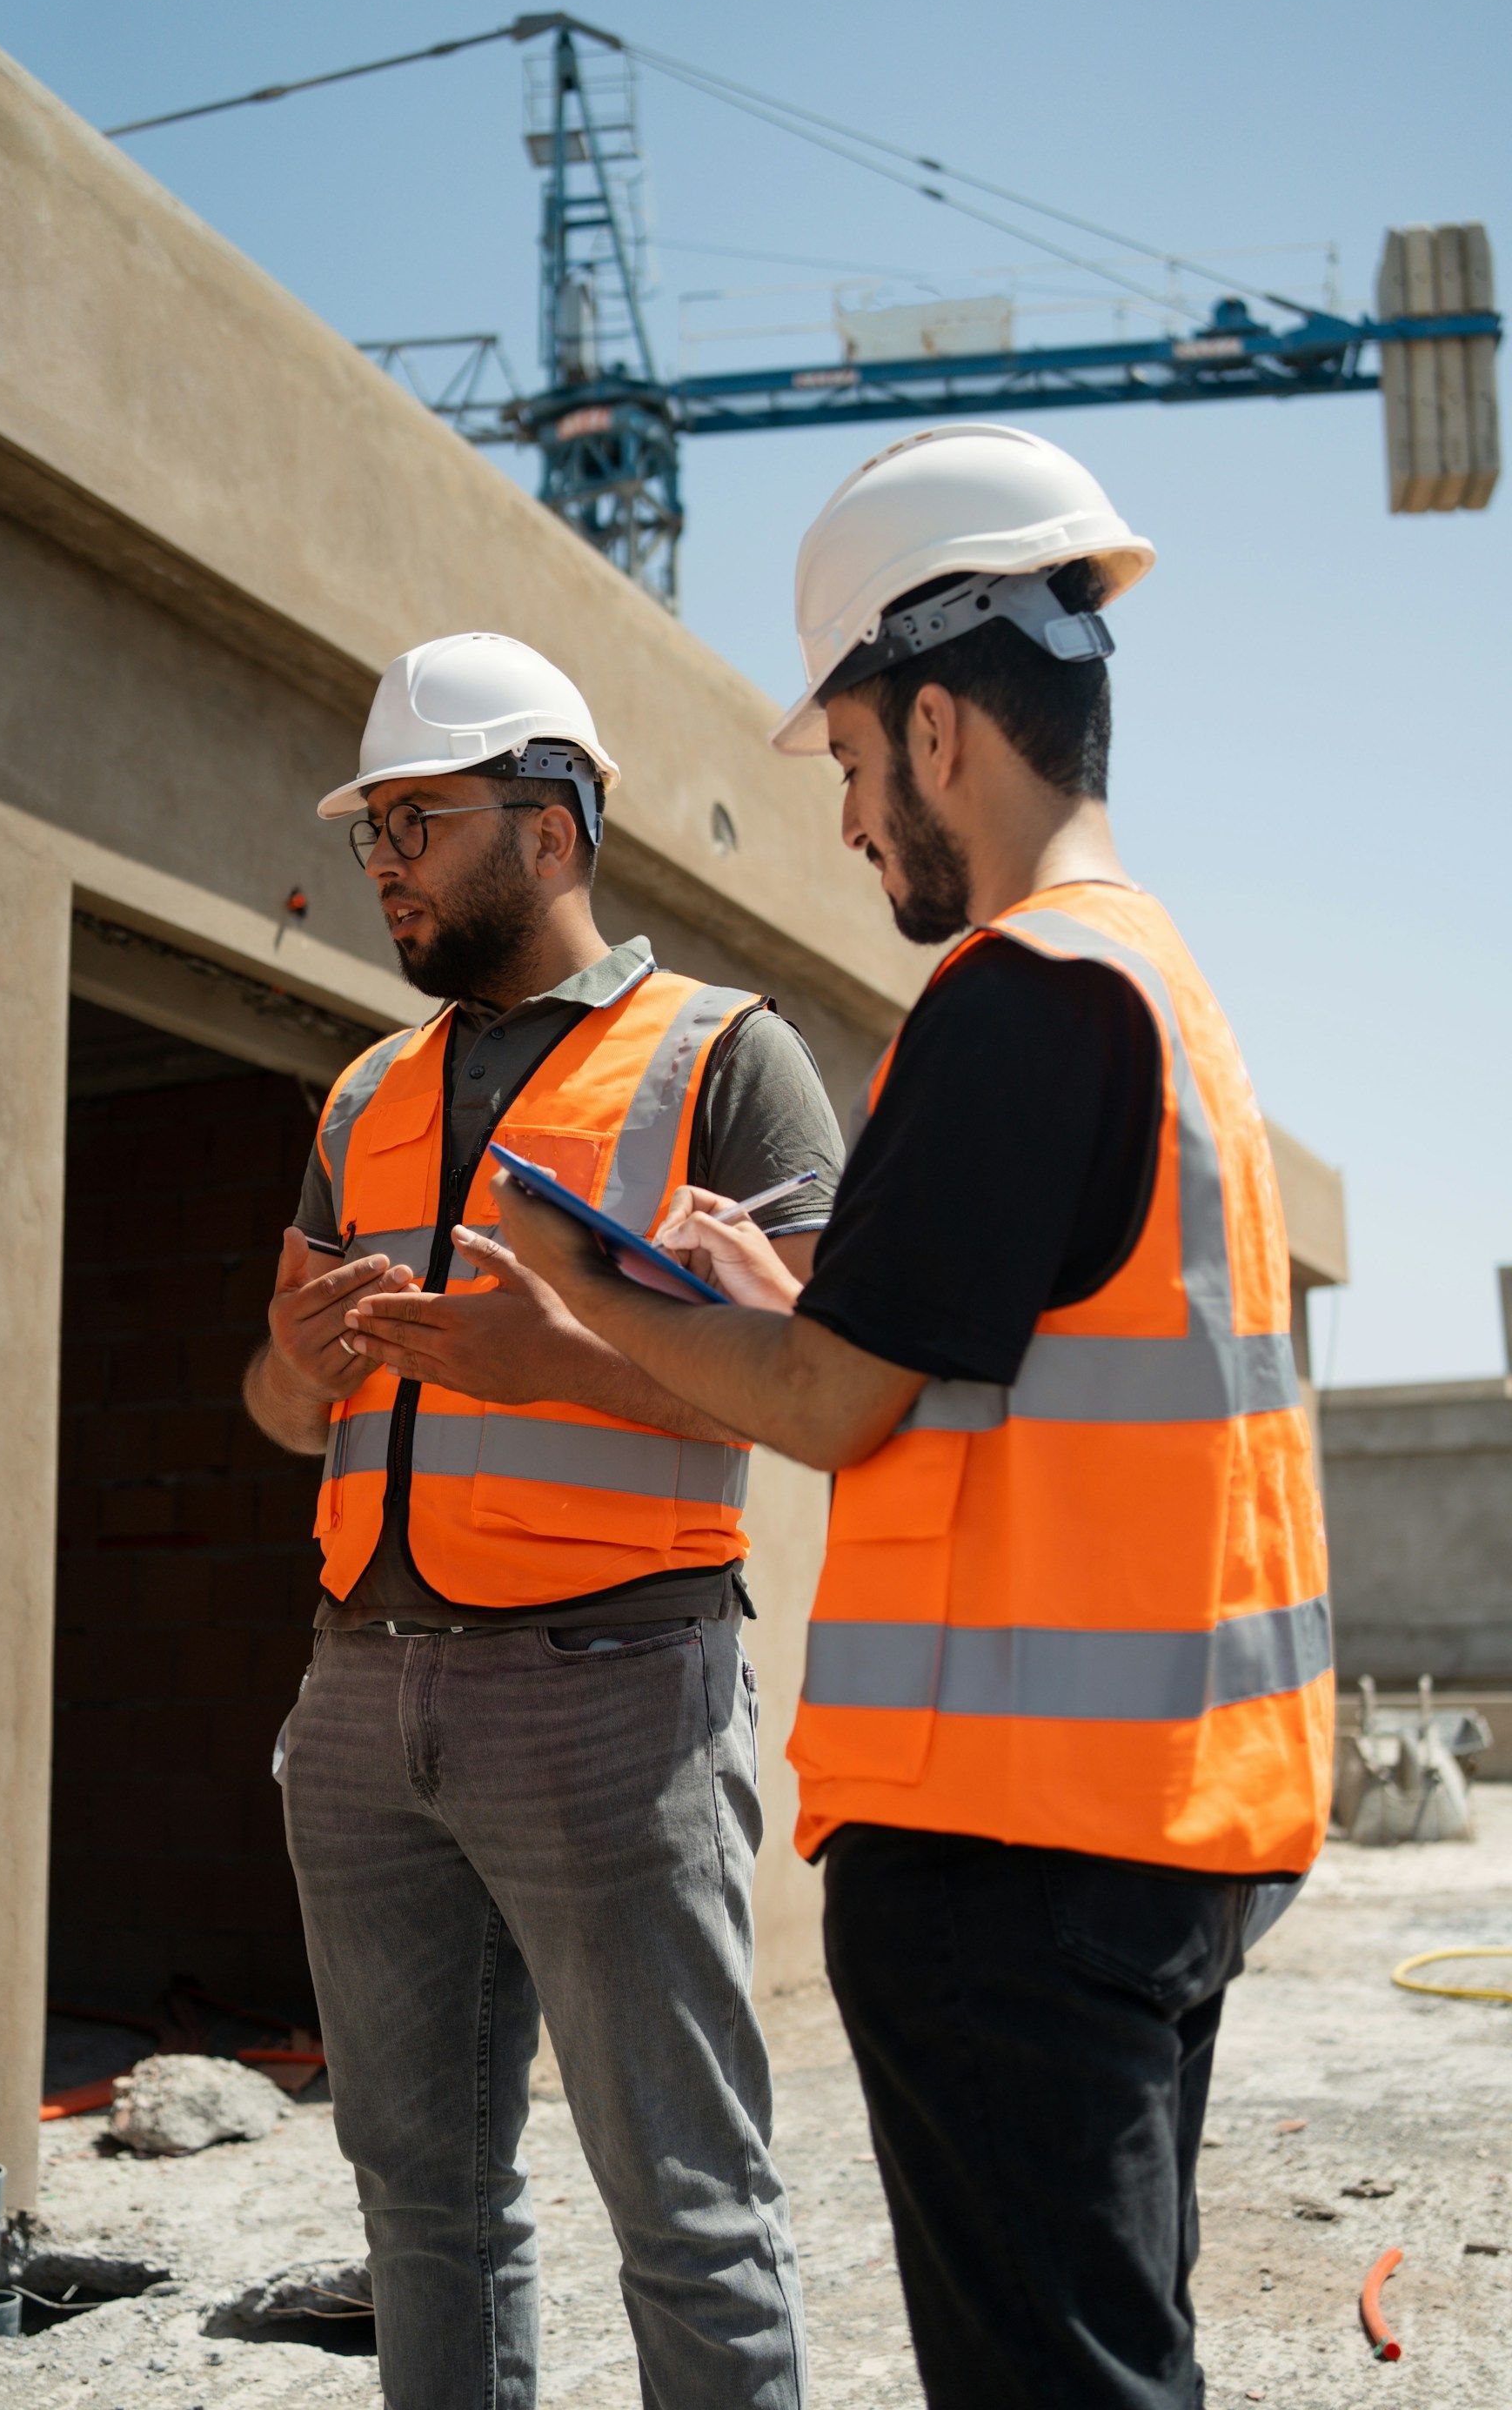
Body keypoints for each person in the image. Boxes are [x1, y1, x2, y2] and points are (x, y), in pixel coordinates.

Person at [492, 428, 1335, 2410]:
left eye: (859, 771)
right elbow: (952, 1370)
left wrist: (588, 1298)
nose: (856, 825)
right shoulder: (1159, 993)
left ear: (942, 728)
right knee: (1113, 2355)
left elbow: (832, 1402)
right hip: (1164, 1828)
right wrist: (799, 1304)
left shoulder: (1016, 994)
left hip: (1017, 1853)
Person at [244, 630, 840, 2410]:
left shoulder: (733, 1061)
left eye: (421, 820)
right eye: (374, 833)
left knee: (689, 2216)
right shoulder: (363, 1095)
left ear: (555, 829)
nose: (387, 862)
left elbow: (825, 1393)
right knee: (420, 2209)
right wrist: (297, 1372)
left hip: (617, 1697)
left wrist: (564, 1359)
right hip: (363, 1705)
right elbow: (281, 1417)